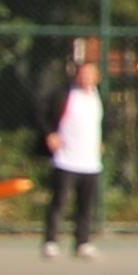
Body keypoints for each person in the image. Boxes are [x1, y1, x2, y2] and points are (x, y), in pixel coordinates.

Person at [44, 43, 108, 256]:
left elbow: (109, 123)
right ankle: (51, 240)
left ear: (97, 77)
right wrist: (50, 134)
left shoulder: (100, 98)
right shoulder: (63, 95)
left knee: (86, 206)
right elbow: (43, 114)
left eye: (90, 74)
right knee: (59, 202)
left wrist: (103, 140)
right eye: (83, 74)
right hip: (66, 159)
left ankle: (82, 242)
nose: (86, 78)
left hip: (90, 162)